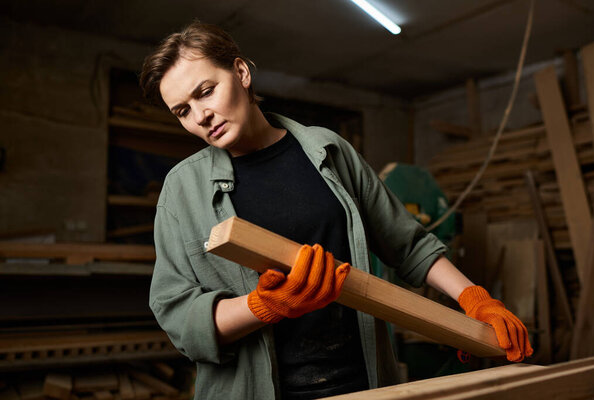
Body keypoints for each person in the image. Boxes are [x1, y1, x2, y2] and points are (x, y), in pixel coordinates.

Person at [140, 21, 533, 400]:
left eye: (206, 91)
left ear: (241, 72)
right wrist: (265, 306)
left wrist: (474, 298)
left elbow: (407, 243)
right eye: (182, 111)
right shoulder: (180, 191)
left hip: (361, 384)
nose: (200, 116)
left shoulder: (327, 151)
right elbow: (178, 317)